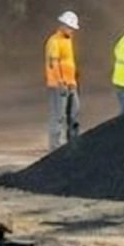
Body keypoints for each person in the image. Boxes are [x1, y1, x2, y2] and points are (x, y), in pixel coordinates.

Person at [44, 10, 80, 150]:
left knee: (74, 114)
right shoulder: (54, 41)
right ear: (63, 25)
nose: (72, 31)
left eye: (73, 28)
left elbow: (67, 63)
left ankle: (74, 144)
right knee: (58, 117)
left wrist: (72, 81)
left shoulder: (67, 40)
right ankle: (55, 148)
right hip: (58, 85)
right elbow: (53, 63)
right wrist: (60, 82)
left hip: (70, 84)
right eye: (70, 28)